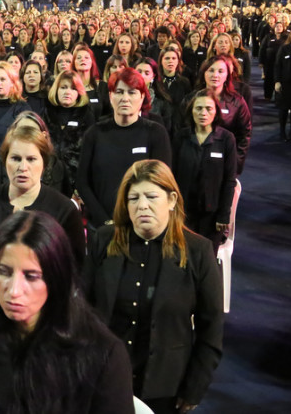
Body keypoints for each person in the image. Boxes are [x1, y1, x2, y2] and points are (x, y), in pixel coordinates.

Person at [84, 160, 224, 414]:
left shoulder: (198, 251)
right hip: (104, 380)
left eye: (151, 197)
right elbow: (82, 310)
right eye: (133, 198)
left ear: (171, 200)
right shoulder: (104, 240)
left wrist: (194, 387)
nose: (142, 206)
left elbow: (211, 329)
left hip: (165, 388)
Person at [0, 210, 134, 414]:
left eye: (31, 276)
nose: (14, 291)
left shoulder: (103, 355)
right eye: (4, 272)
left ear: (57, 278)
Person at [0, 124, 85, 311]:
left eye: (31, 159)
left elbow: (73, 274)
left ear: (44, 163)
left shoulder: (64, 210)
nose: (23, 167)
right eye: (16, 158)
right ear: (5, 161)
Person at [77, 68, 172, 228]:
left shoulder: (155, 133)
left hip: (141, 224)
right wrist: (105, 221)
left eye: (132, 92)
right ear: (110, 96)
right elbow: (82, 182)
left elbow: (161, 182)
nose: (125, 98)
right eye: (119, 92)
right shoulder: (94, 133)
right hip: (101, 226)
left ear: (142, 97)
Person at [172, 91, 237, 253]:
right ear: (191, 111)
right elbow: (171, 175)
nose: (203, 113)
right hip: (184, 213)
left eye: (209, 108)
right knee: (182, 257)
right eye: (198, 108)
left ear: (216, 112)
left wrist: (224, 215)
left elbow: (229, 181)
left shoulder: (226, 139)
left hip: (213, 216)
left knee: (206, 259)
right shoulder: (180, 137)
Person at [187, 56, 252, 174]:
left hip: (224, 163)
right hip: (193, 161)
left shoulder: (237, 102)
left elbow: (244, 135)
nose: (215, 75)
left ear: (227, 75)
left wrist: (235, 164)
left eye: (220, 71)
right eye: (211, 70)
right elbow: (182, 128)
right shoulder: (191, 99)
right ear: (204, 73)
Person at [45, 71, 96, 196]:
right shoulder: (46, 114)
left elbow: (92, 153)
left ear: (79, 92)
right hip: (49, 181)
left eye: (73, 88)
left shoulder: (87, 115)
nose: (67, 92)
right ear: (56, 90)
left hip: (77, 183)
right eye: (63, 87)